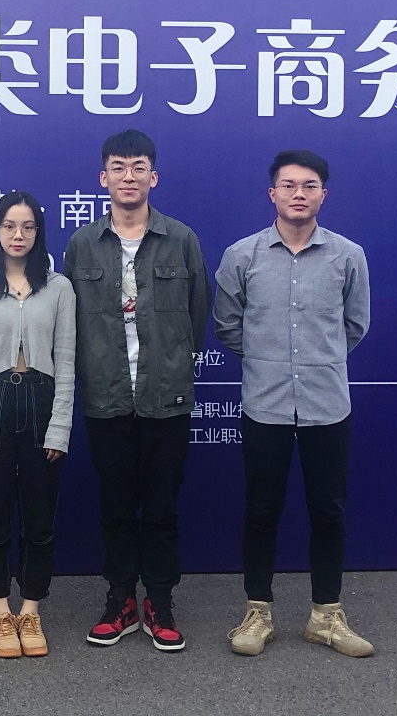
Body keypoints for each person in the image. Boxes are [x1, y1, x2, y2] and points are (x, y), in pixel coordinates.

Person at [213, 149, 373, 658]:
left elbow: (354, 325)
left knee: (329, 511)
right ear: (272, 193)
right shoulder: (242, 256)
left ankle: (326, 616)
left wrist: (316, 361)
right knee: (262, 510)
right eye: (288, 185)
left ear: (323, 194)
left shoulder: (347, 255)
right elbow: (228, 326)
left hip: (327, 403)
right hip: (266, 403)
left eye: (309, 186)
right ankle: (257, 613)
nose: (298, 194)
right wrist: (270, 362)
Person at [64, 129, 210, 652]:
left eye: (138, 167)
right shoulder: (82, 244)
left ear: (154, 176)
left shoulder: (182, 239)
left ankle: (161, 603)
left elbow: (197, 315)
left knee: (162, 507)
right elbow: (69, 321)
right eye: (119, 168)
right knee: (116, 506)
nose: (129, 177)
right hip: (106, 396)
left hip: (165, 397)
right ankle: (121, 600)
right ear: (103, 178)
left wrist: (171, 365)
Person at [0, 191, 76, 659]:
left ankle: (30, 609)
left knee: (39, 519)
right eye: (9, 226)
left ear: (38, 233)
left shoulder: (59, 288)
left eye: (28, 227)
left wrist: (60, 425)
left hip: (42, 404)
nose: (18, 235)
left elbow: (66, 361)